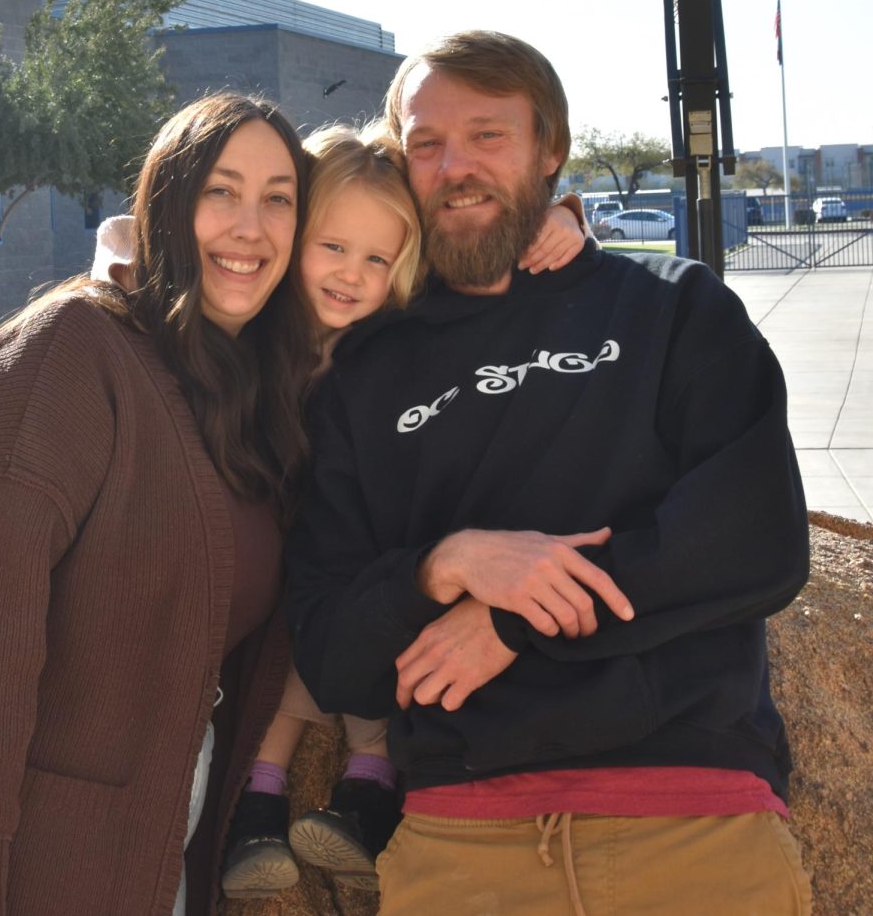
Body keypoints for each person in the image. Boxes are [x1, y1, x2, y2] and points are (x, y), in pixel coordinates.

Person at [286, 30, 812, 915]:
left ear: (550, 151)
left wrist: (518, 619)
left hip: (693, 816)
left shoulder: (674, 308)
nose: (455, 165)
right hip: (459, 841)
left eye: (488, 135)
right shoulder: (363, 377)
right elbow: (336, 657)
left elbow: (757, 542)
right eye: (425, 143)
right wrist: (442, 566)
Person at [0, 93, 317, 916]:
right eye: (220, 191)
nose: (249, 226)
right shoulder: (66, 355)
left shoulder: (246, 389)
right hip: (25, 867)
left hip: (161, 848)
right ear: (166, 202)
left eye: (278, 198)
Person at [89, 123, 591, 901]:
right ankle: (262, 802)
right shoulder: (253, 324)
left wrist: (559, 219)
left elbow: (487, 253)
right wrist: (118, 254)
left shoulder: (395, 335)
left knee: (358, 629)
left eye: (377, 260)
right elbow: (136, 234)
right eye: (332, 248)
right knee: (293, 644)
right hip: (269, 549)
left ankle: (362, 786)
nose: (353, 276)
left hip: (354, 557)